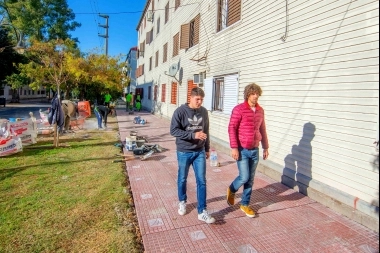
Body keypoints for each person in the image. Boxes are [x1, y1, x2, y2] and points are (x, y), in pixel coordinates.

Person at [170, 87, 216, 224]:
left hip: (199, 151)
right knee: (182, 178)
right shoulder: (180, 112)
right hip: (184, 151)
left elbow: (206, 130)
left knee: (201, 181)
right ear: (190, 98)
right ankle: (182, 201)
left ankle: (202, 211)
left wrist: (207, 148)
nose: (200, 102)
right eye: (197, 99)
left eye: (202, 99)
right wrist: (193, 135)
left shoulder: (203, 112)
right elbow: (173, 130)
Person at [226, 83, 269, 218]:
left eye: (257, 94)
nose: (256, 96)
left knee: (250, 179)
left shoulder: (260, 110)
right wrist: (234, 147)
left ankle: (245, 204)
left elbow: (262, 129)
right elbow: (231, 128)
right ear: (248, 94)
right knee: (244, 177)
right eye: (253, 93)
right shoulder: (239, 109)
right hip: (242, 149)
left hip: (254, 150)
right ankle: (232, 189)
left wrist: (265, 147)